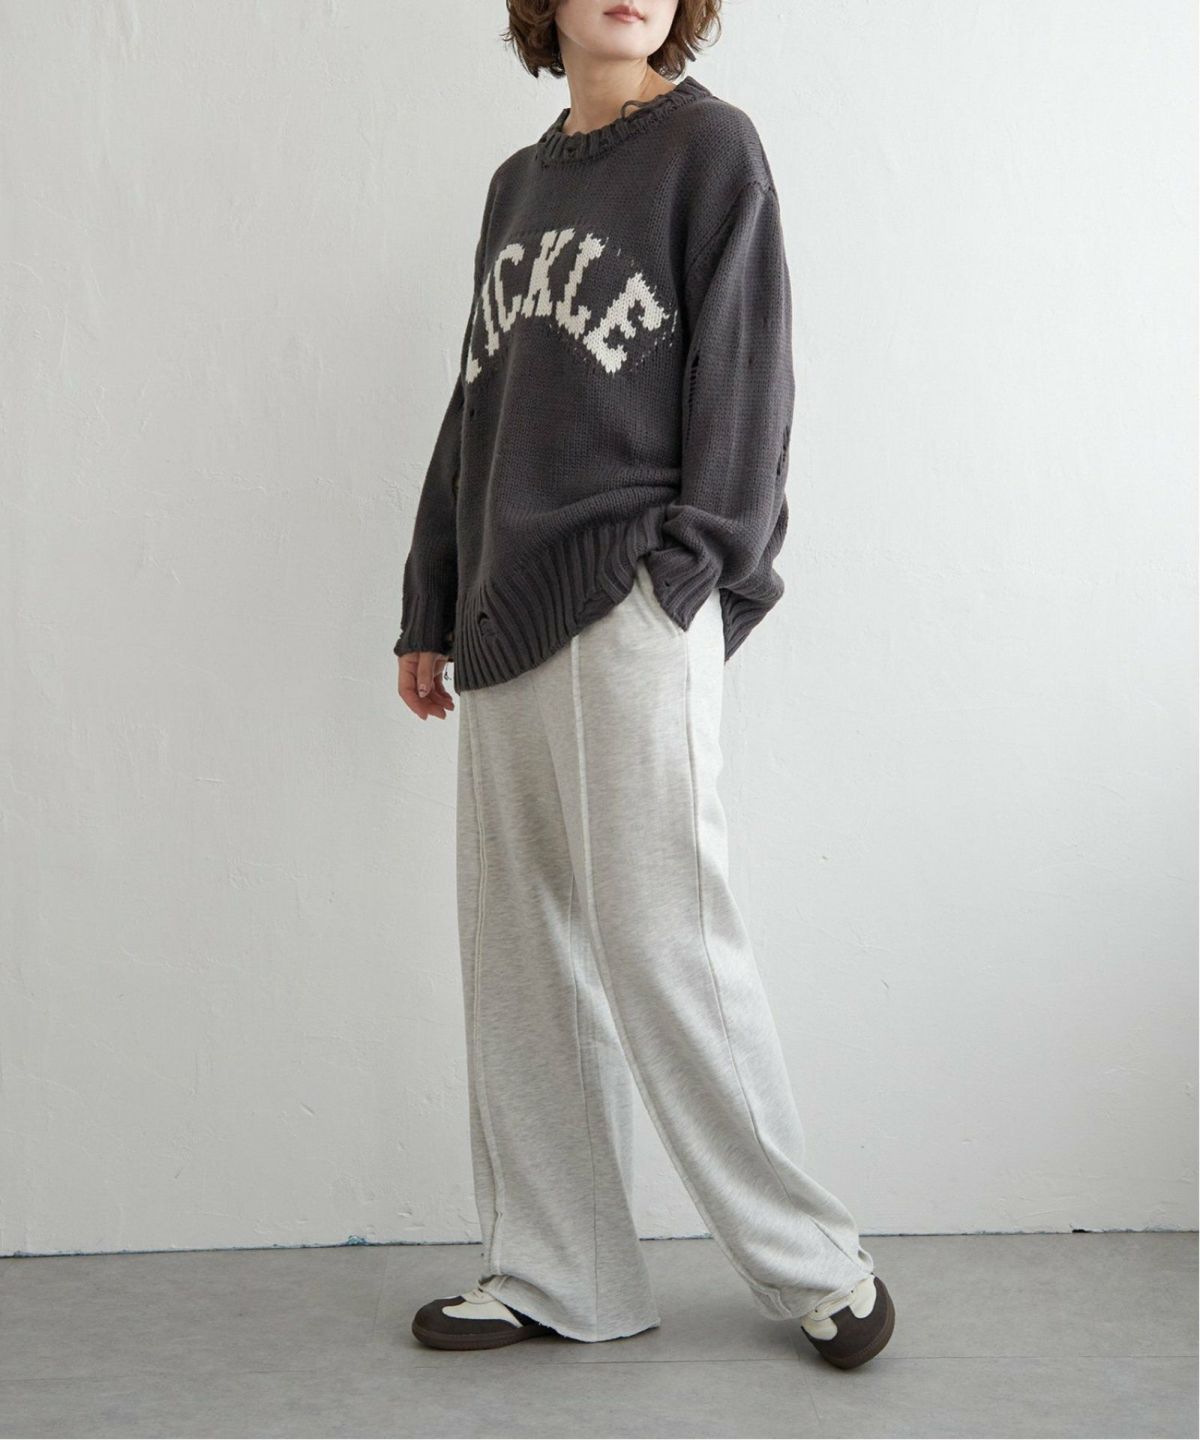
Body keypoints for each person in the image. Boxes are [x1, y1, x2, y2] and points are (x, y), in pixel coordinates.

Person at [393, 0, 895, 1371]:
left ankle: (817, 1261)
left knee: (666, 933)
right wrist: (431, 598)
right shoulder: (517, 185)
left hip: (631, 586)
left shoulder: (710, 151)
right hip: (503, 608)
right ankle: (561, 1273)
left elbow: (748, 368)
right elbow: (477, 403)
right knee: (520, 956)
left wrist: (698, 565)